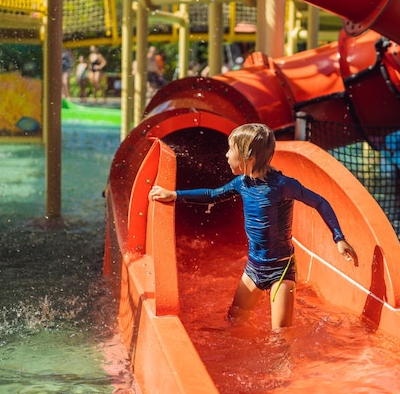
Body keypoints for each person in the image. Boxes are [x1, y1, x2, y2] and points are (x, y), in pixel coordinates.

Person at [148, 123, 358, 329]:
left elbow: (320, 202)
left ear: (249, 157)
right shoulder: (242, 183)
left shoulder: (283, 185)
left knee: (281, 335)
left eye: (231, 149)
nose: (227, 155)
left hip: (280, 270)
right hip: (254, 268)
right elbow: (212, 195)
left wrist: (339, 238)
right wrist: (174, 195)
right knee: (234, 321)